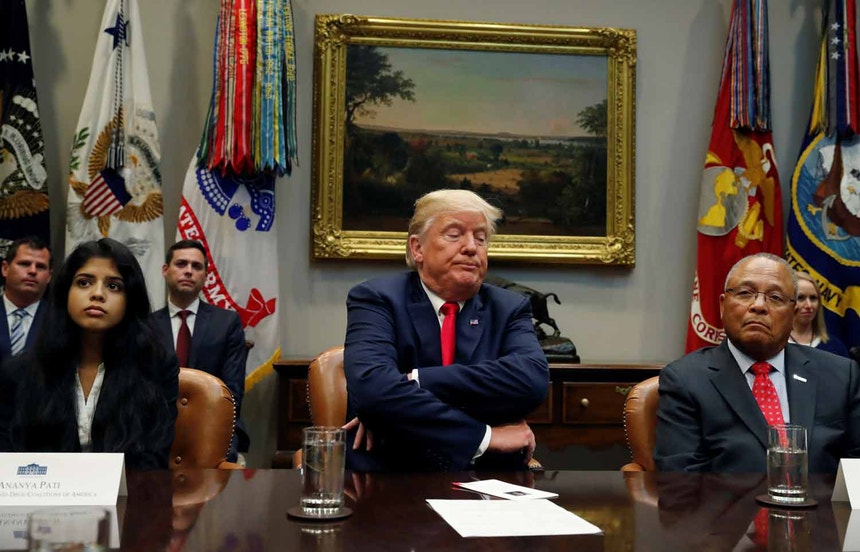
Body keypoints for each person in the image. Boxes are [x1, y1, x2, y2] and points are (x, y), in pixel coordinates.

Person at [343, 189, 549, 472]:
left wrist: (413, 382)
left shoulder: (509, 308)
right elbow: (373, 392)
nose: (471, 247)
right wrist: (485, 436)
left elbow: (532, 381)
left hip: (488, 477)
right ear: (418, 248)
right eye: (454, 235)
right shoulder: (376, 299)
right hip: (390, 473)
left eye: (481, 238)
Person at [655, 252, 860, 473]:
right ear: (723, 306)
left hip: (821, 497)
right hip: (727, 498)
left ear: (793, 315)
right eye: (745, 293)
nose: (759, 306)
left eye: (775, 297)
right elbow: (682, 481)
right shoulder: (686, 380)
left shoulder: (840, 376)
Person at [0, 238, 178, 469]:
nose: (97, 294)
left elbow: (153, 460)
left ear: (130, 300)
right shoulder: (18, 373)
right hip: (44, 491)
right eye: (84, 283)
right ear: (66, 292)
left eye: (113, 286)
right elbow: (11, 459)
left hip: (127, 490)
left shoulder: (156, 367)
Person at [150, 239, 248, 462]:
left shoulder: (227, 323)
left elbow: (232, 392)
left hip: (213, 424)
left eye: (196, 266)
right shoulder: (146, 326)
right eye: (181, 264)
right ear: (165, 270)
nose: (188, 271)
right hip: (157, 428)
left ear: (205, 275)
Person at [0, 236, 52, 360]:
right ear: (5, 268)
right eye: (24, 264)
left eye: (40, 266)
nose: (33, 271)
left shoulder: (61, 319)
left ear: (49, 276)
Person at [789, 271, 850, 357]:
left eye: (813, 298)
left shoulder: (835, 347)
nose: (809, 305)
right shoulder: (775, 346)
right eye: (801, 298)